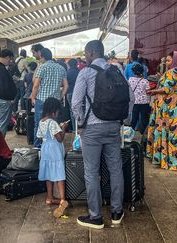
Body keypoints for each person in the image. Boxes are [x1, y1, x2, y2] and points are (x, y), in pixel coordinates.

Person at [72, 40, 134, 229]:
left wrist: (80, 123)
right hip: (113, 127)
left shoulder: (86, 73)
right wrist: (125, 121)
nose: (84, 57)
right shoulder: (117, 70)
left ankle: (96, 217)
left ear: (91, 53)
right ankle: (116, 212)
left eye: (85, 53)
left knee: (91, 172)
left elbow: (76, 102)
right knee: (115, 169)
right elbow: (130, 98)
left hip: (92, 128)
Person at [146, 51, 177, 170]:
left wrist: (153, 91)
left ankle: (169, 160)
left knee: (169, 131)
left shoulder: (173, 72)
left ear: (176, 60)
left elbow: (166, 89)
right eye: (166, 60)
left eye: (169, 60)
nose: (167, 63)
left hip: (168, 108)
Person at [37, 97, 69, 218]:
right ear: (54, 110)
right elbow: (60, 139)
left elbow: (39, 136)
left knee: (48, 173)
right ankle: (62, 199)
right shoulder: (53, 122)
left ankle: (49, 198)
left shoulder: (41, 121)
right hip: (55, 149)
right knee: (59, 174)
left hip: (45, 148)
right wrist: (63, 128)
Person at [30, 48, 68, 148]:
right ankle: (53, 144)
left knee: (39, 124)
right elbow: (66, 86)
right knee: (53, 124)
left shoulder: (41, 68)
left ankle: (38, 146)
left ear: (42, 55)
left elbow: (36, 85)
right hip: (55, 101)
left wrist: (33, 98)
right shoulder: (61, 68)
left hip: (41, 100)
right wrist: (60, 97)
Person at [128, 63, 150, 134]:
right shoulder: (145, 81)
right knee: (144, 119)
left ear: (133, 71)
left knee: (134, 119)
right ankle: (143, 134)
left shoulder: (130, 79)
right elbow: (148, 91)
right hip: (144, 103)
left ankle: (131, 134)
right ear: (142, 72)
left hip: (135, 102)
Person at [66, 59, 79, 131]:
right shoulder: (79, 72)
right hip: (78, 93)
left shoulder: (67, 73)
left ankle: (74, 129)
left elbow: (65, 84)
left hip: (70, 92)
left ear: (69, 65)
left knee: (72, 110)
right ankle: (79, 126)